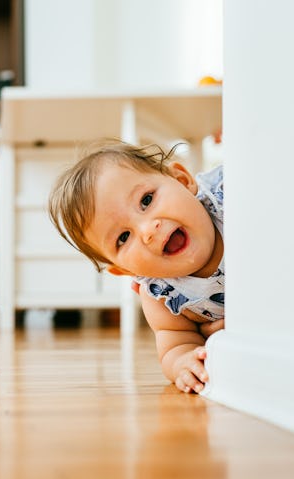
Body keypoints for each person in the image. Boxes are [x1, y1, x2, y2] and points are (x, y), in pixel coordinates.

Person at [49, 140, 225, 394]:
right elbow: (176, 345)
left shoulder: (228, 198)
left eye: (146, 200)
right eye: (123, 237)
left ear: (182, 180)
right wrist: (183, 362)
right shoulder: (161, 294)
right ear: (127, 271)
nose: (147, 231)